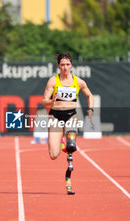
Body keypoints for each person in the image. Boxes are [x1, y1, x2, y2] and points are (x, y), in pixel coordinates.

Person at [42, 53, 94, 194]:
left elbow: (89, 95)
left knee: (72, 143)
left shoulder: (78, 81)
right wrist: (51, 101)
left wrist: (90, 108)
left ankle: (69, 141)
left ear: (71, 65)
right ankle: (62, 144)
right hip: (56, 116)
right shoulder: (53, 81)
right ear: (58, 66)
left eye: (67, 64)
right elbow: (44, 99)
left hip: (71, 115)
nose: (65, 67)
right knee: (53, 154)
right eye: (62, 64)